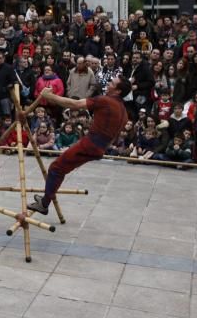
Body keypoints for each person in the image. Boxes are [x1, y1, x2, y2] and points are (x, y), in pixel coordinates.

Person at [27, 77, 132, 215]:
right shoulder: (124, 112)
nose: (108, 83)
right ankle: (46, 199)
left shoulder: (105, 101)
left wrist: (49, 96)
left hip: (90, 144)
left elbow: (74, 104)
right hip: (100, 147)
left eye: (112, 83)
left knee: (56, 168)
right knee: (61, 168)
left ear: (118, 91)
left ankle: (44, 204)